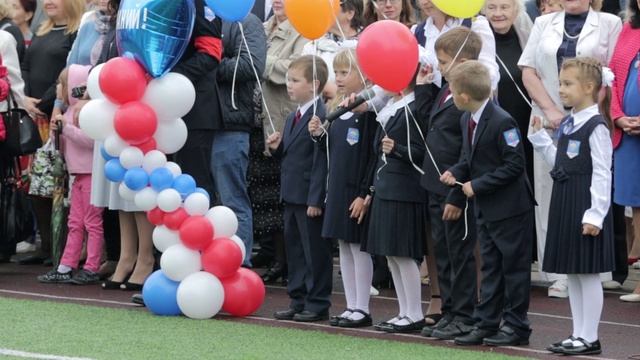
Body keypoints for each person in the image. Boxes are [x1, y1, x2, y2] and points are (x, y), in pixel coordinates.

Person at [518, 0, 622, 298]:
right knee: (549, 190)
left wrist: (587, 114)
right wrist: (553, 112)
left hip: (589, 119)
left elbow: (611, 76)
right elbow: (528, 71)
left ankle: (595, 266)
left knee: (590, 185)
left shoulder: (609, 23)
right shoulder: (542, 23)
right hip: (547, 118)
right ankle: (557, 271)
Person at [441, 60, 535, 346]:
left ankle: (517, 325)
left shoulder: (501, 120)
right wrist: (456, 172)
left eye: (453, 91)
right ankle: (487, 322)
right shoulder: (467, 118)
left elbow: (514, 165)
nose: (451, 96)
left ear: (464, 96)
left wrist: (477, 185)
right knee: (491, 266)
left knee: (514, 268)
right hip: (486, 209)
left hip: (510, 209)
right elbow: (470, 159)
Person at [529, 57, 614, 356]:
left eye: (567, 84)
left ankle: (590, 337)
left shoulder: (596, 126)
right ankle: (578, 332)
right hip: (566, 200)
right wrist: (541, 140)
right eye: (561, 83)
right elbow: (561, 165)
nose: (560, 89)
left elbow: (603, 172)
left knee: (587, 273)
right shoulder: (567, 123)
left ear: (589, 87)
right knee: (573, 272)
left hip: (584, 203)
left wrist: (595, 214)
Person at [415, 28, 481, 340]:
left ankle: (464, 313)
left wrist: (457, 190)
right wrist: (425, 90)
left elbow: (466, 148)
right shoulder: (446, 90)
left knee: (459, 253)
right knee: (443, 251)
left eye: (444, 62)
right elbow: (432, 122)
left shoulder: (468, 97)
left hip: (452, 186)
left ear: (463, 60)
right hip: (434, 183)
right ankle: (450, 311)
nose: (439, 67)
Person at [308, 49, 376, 328]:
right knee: (344, 247)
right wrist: (318, 134)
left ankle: (363, 306)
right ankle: (351, 305)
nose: (339, 78)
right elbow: (331, 151)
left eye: (345, 72)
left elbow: (371, 156)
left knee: (359, 247)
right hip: (336, 187)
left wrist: (364, 193)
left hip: (355, 189)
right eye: (337, 73)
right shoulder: (336, 110)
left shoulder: (369, 112)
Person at [18, 0, 84, 267]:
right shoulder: (42, 31)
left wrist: (44, 102)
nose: (48, 2)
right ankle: (45, 244)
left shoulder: (76, 32)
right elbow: (25, 66)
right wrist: (24, 98)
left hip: (57, 116)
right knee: (36, 184)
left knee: (60, 184)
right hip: (33, 116)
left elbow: (65, 76)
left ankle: (64, 246)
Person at [268, 55, 332, 323]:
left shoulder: (321, 115)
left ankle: (317, 302)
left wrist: (316, 199)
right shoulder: (295, 114)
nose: (289, 85)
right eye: (288, 79)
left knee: (314, 251)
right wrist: (277, 148)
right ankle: (298, 298)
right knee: (295, 249)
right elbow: (292, 153)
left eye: (295, 81)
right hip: (292, 193)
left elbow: (321, 161)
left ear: (314, 84)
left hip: (309, 196)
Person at [364, 70, 428, 335]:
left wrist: (398, 150)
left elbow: (423, 152)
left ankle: (414, 312)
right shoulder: (392, 107)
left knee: (403, 253)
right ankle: (403, 310)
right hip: (386, 186)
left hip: (404, 189)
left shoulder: (414, 108)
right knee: (391, 254)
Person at [252, 0, 307, 281]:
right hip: (259, 122)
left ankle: (287, 263)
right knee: (264, 195)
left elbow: (295, 70)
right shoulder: (261, 28)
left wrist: (261, 60)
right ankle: (273, 254)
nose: (277, 2)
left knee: (282, 194)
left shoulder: (303, 31)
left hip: (283, 121)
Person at [37, 65, 104, 285]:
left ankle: (92, 266)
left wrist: (67, 129)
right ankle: (66, 265)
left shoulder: (88, 112)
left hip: (92, 174)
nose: (59, 89)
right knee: (74, 222)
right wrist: (59, 126)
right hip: (77, 174)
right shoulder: (68, 112)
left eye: (62, 85)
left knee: (91, 222)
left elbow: (90, 141)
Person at [215, 13, 267, 267]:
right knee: (202, 201)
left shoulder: (246, 21)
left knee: (232, 199)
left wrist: (208, 62)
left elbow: (253, 65)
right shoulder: (197, 17)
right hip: (200, 125)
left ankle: (238, 264)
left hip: (231, 125)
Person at [485, 0, 535, 191]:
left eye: (504, 7)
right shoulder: (480, 40)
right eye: (491, 7)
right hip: (497, 127)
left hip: (528, 123)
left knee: (530, 179)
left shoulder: (527, 35)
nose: (498, 13)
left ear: (516, 10)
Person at [608, 0, 640, 300]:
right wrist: (617, 115)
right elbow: (613, 77)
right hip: (628, 136)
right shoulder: (628, 30)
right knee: (637, 206)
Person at [412, 0, 500, 91]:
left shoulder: (475, 24)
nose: (424, 2)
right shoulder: (417, 31)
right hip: (432, 103)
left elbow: (488, 73)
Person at [301, 0, 363, 101]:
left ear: (350, 13)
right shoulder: (312, 45)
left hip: (359, 110)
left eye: (330, 8)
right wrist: (324, 87)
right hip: (319, 112)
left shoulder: (367, 45)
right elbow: (301, 78)